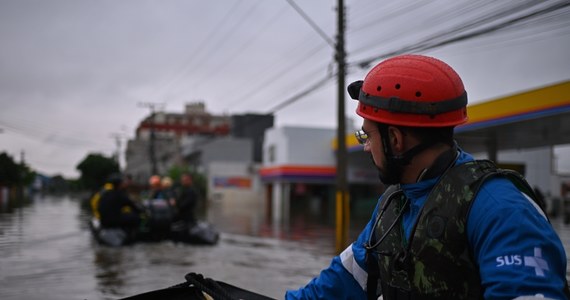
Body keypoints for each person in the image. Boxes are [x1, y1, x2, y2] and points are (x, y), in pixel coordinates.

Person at [285, 54, 569, 299]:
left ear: (394, 140)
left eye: (367, 135)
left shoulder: (502, 209)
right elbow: (343, 281)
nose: (367, 146)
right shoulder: (395, 204)